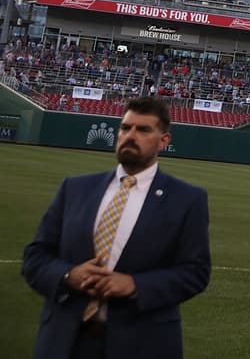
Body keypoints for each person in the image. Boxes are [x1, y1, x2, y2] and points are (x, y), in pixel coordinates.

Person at [23, 96, 211, 359]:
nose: (130, 135)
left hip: (143, 343)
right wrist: (68, 276)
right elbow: (35, 256)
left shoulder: (187, 199)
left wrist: (135, 285)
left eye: (143, 129)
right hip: (64, 341)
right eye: (125, 128)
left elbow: (196, 272)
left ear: (164, 140)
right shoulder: (75, 188)